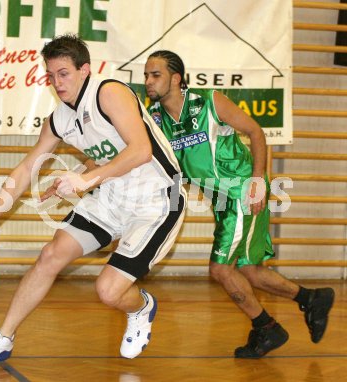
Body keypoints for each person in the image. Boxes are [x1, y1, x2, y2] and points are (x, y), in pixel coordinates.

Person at [0, 35, 186, 369]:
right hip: (111, 196)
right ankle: (3, 338)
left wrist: (84, 179)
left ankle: (140, 308)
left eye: (63, 73)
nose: (57, 83)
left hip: (157, 198)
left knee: (108, 292)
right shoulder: (60, 119)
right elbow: (25, 168)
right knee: (50, 255)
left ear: (84, 70)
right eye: (51, 76)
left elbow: (140, 151)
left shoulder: (109, 92)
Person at [143, 50, 335, 358]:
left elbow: (255, 132)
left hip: (243, 190)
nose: (148, 82)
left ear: (175, 79)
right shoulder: (154, 118)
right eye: (146, 76)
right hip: (220, 200)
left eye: (155, 75)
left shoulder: (209, 101)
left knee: (220, 270)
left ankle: (267, 327)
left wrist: (258, 181)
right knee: (249, 270)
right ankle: (312, 298)